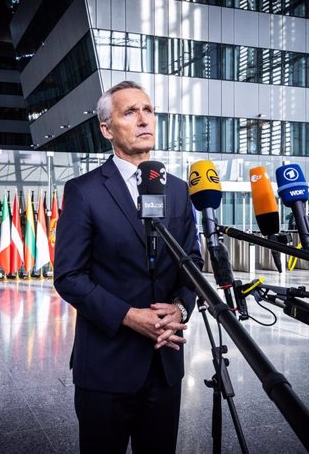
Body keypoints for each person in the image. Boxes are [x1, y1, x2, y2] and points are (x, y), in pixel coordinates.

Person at [53, 81, 203, 454]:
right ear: (107, 129)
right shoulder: (84, 190)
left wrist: (181, 307)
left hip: (165, 365)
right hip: (106, 367)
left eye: (148, 110)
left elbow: (193, 263)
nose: (143, 120)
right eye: (130, 112)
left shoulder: (178, 190)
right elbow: (69, 276)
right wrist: (128, 315)